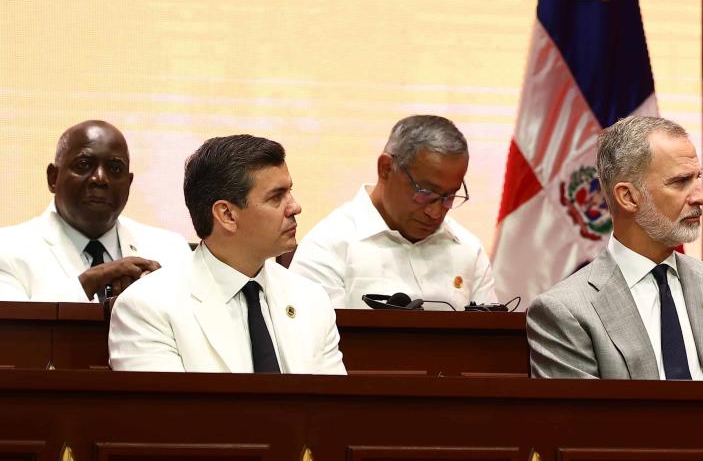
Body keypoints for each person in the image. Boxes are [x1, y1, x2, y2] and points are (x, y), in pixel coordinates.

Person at [527, 116, 703, 380]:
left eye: (698, 177)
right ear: (628, 197)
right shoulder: (565, 311)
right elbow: (583, 420)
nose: (702, 196)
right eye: (680, 182)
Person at [109, 134, 345, 374]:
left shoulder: (312, 300)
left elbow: (335, 408)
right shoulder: (147, 307)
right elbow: (167, 411)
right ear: (227, 215)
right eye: (277, 196)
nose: (295, 207)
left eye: (290, 192)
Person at [290, 115, 497, 311]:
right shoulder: (328, 247)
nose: (435, 213)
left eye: (449, 197)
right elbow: (315, 344)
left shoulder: (469, 251)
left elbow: (490, 343)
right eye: (425, 193)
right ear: (386, 168)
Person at [0, 120, 191, 302]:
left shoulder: (170, 251)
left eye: (115, 169)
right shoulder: (8, 248)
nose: (100, 179)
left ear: (129, 183)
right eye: (84, 165)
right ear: (53, 177)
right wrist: (90, 282)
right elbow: (12, 331)